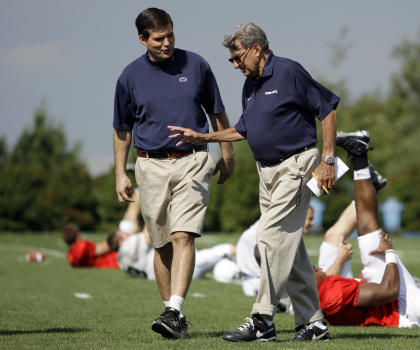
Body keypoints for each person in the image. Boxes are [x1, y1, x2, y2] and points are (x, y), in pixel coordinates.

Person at [168, 22, 340, 342]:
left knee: (268, 236)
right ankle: (313, 324)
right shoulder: (251, 85)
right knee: (291, 247)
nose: (235, 65)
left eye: (238, 57)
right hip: (267, 173)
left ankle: (262, 318)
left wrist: (328, 160)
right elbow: (243, 129)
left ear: (257, 49)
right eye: (231, 60)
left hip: (297, 165)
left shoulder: (289, 72)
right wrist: (205, 136)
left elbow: (327, 109)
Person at [112, 8, 234, 339]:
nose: (167, 43)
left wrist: (227, 152)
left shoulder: (197, 65)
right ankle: (172, 316)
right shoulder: (129, 77)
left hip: (192, 160)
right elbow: (122, 130)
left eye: (170, 35)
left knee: (184, 235)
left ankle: (175, 309)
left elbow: (217, 113)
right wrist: (121, 174)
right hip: (149, 165)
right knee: (162, 243)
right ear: (142, 39)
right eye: (158, 38)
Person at [314, 130, 420, 328]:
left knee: (367, 231)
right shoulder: (329, 295)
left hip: (393, 301)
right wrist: (388, 252)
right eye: (307, 272)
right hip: (404, 309)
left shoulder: (325, 290)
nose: (312, 267)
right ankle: (359, 155)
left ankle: (359, 156)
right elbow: (389, 290)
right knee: (369, 234)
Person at [107, 226, 236, 281]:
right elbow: (151, 230)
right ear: (120, 242)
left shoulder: (121, 261)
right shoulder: (128, 246)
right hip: (180, 265)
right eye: (123, 233)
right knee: (224, 250)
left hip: (167, 275)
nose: (127, 232)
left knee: (222, 265)